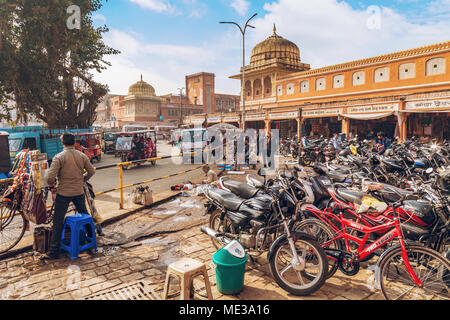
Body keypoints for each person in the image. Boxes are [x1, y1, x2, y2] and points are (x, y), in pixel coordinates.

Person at [41, 133, 96, 260]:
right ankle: (91, 241)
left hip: (63, 193)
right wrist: (82, 180)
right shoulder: (82, 156)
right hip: (78, 191)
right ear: (74, 142)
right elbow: (91, 171)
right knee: (85, 214)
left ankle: (53, 251)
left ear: (62, 143)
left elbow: (49, 177)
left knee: (58, 221)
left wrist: (52, 185)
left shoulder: (59, 157)